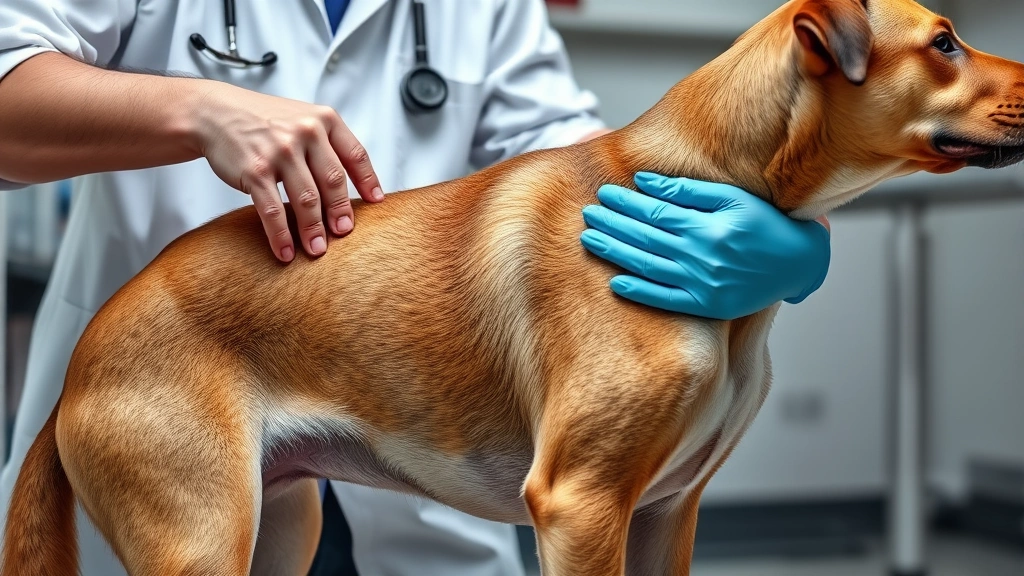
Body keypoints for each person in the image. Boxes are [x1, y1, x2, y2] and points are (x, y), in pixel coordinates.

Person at [0, 0, 831, 574]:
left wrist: (795, 237)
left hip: (424, 471)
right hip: (180, 390)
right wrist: (198, 109)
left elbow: (573, 156)